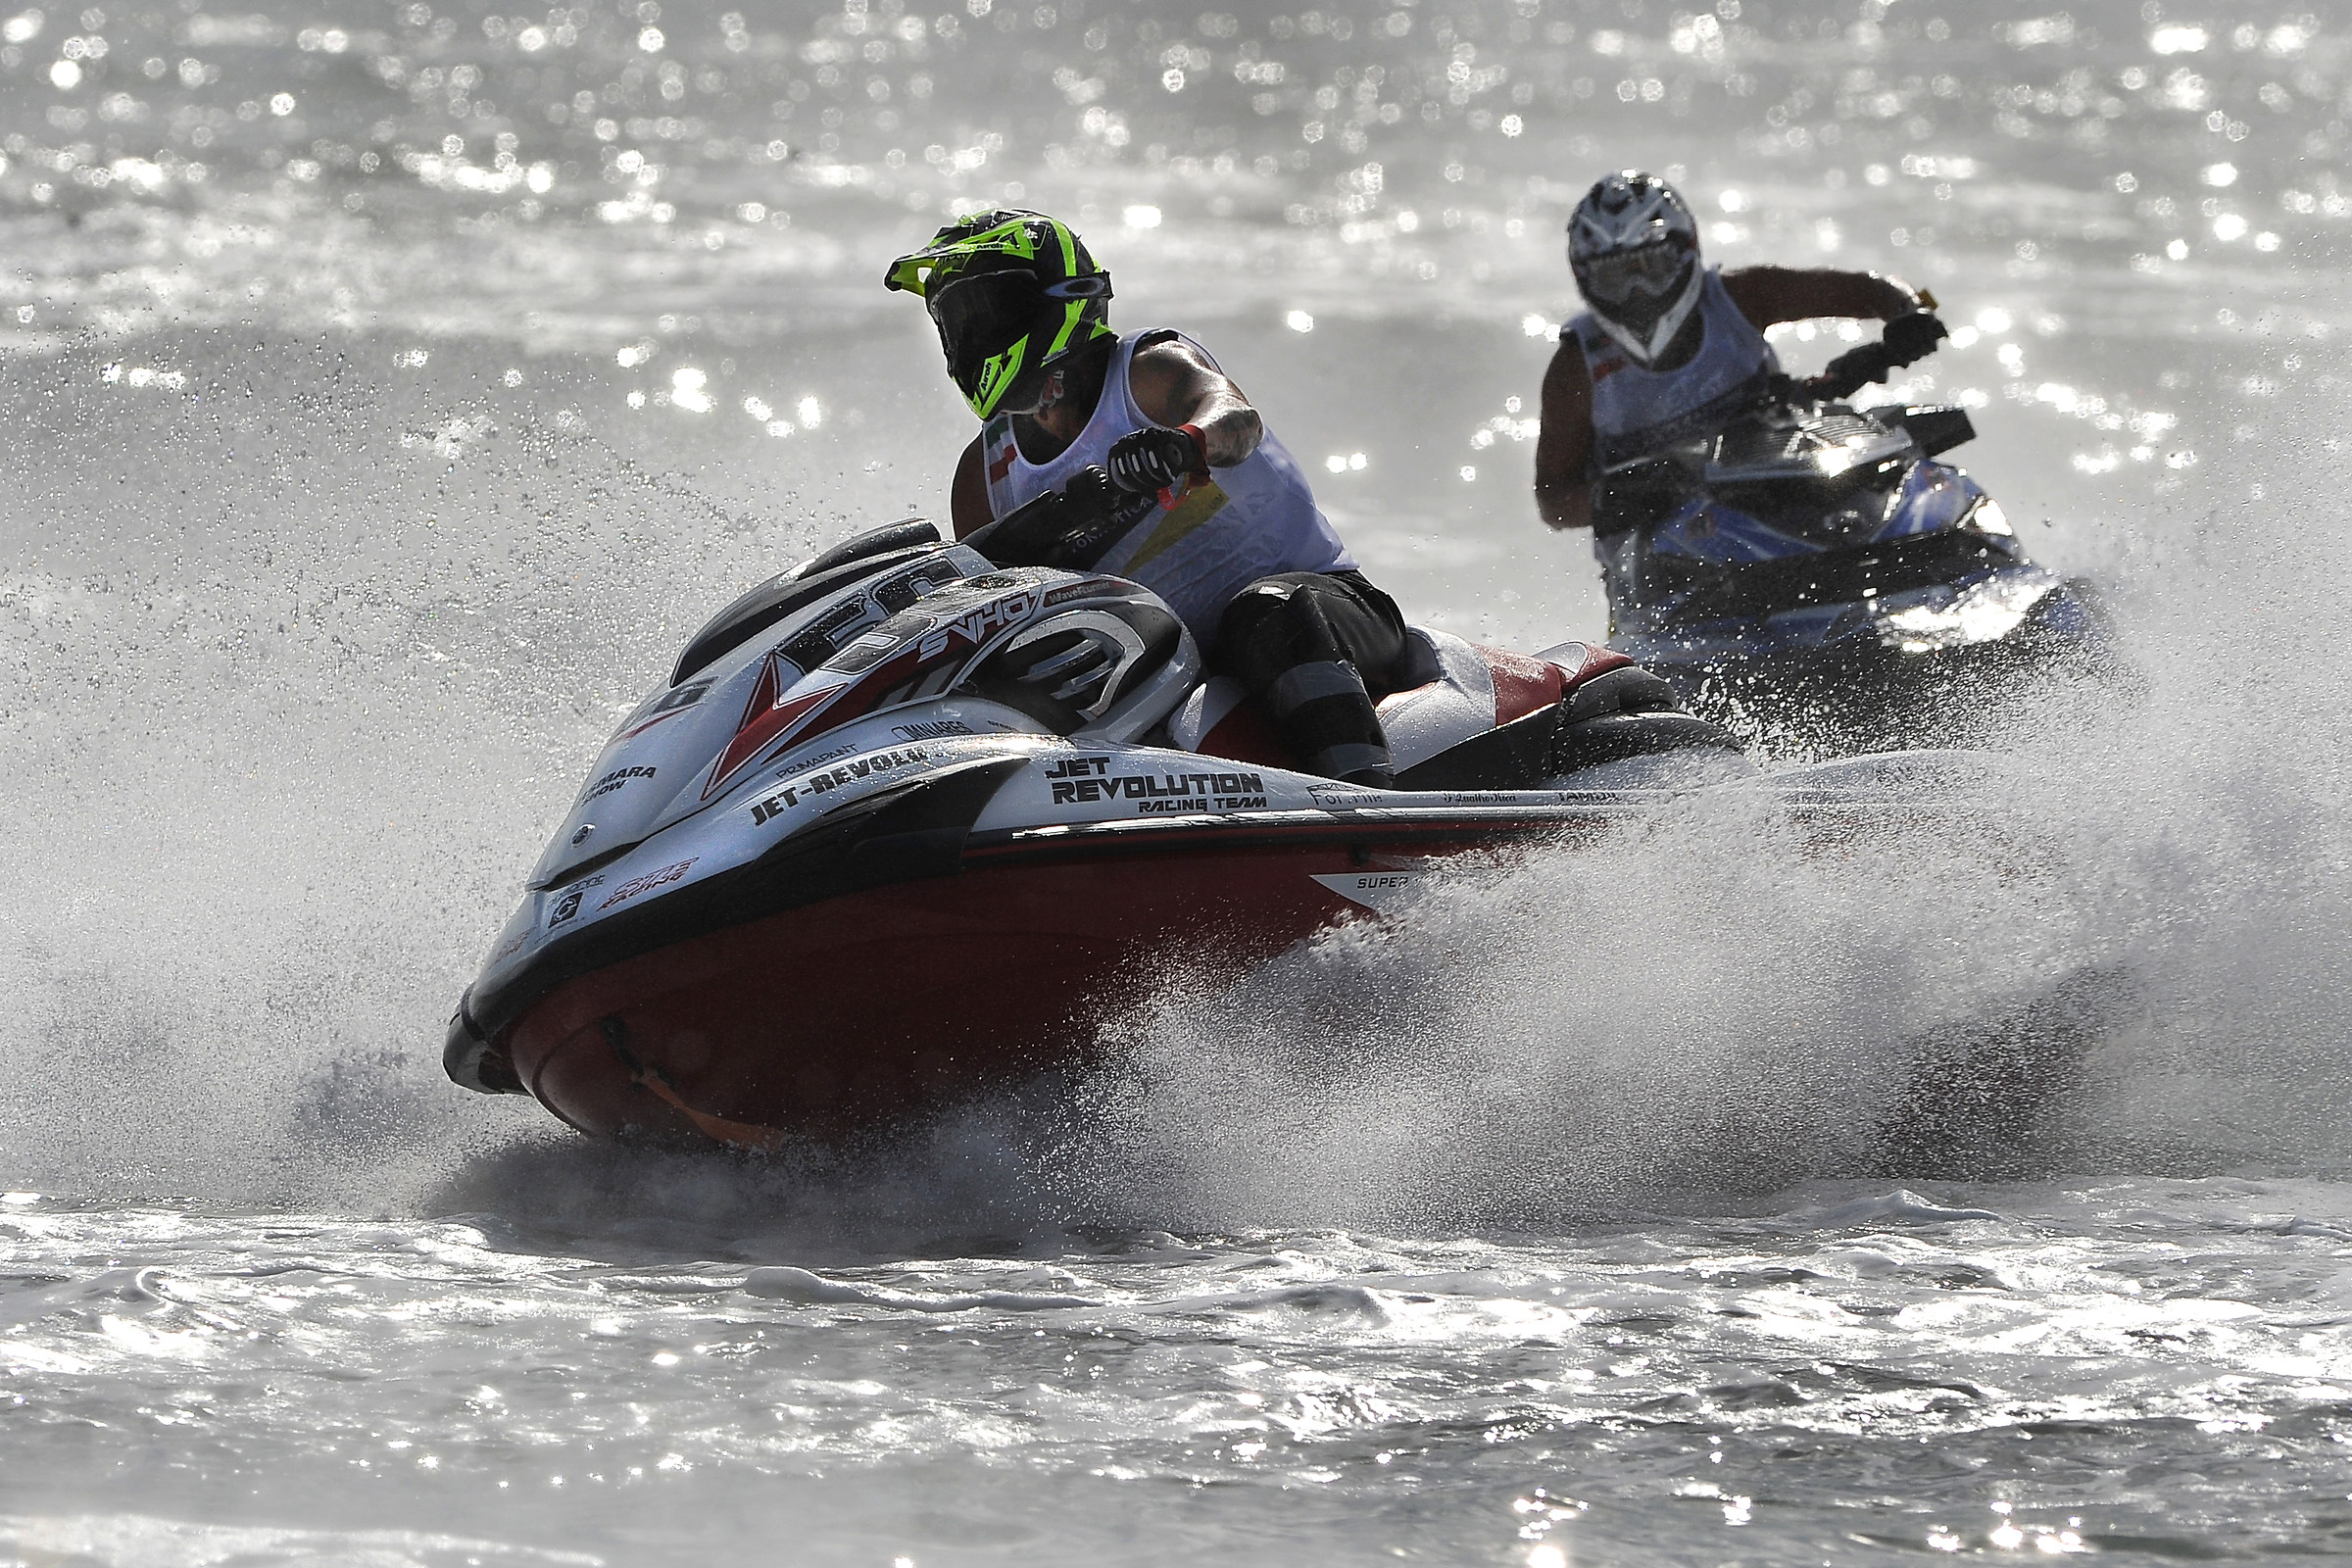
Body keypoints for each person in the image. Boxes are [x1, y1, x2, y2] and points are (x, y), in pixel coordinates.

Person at [886, 209, 1408, 787]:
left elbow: (1235, 417)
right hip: (1174, 670)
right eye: (956, 323)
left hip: (1325, 614)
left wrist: (1186, 443)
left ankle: (1368, 801)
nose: (970, 338)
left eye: (984, 314)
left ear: (1058, 299)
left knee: (1263, 612)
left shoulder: (1147, 371)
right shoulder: (982, 477)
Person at [1533, 170, 1948, 532]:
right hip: (1662, 552)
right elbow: (1553, 501)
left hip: (1780, 503)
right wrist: (1621, 496)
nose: (1636, 293)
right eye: (1614, 277)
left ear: (1685, 252)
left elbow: (1872, 290)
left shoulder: (1741, 296)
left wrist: (1910, 313)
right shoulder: (1576, 368)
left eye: (1651, 268)